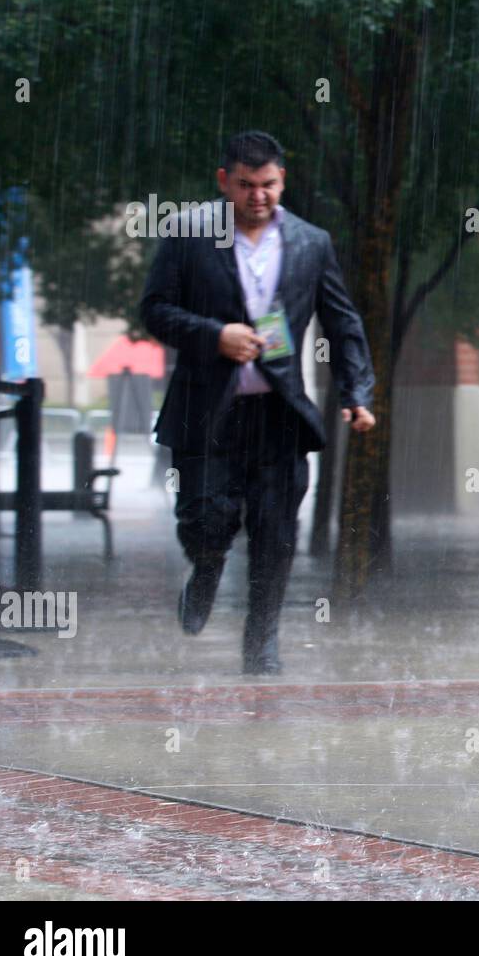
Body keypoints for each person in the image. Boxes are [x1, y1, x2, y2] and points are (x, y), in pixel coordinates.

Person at [140, 131, 376, 675]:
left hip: (279, 415)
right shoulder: (188, 233)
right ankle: (206, 567)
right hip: (206, 411)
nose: (258, 196)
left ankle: (262, 642)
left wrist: (357, 392)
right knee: (203, 520)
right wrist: (213, 334)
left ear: (282, 181)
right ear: (224, 181)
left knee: (275, 533)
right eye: (245, 185)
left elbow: (343, 324)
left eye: (268, 184)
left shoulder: (311, 243)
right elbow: (154, 309)